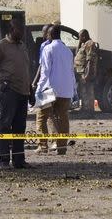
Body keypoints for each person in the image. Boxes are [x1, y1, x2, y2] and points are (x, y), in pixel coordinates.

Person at [0, 18, 33, 169]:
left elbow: (25, 69)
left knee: (20, 127)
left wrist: (31, 90)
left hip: (23, 91)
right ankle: (3, 160)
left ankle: (19, 160)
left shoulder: (22, 46)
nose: (22, 33)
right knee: (6, 125)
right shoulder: (0, 46)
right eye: (19, 31)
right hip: (8, 90)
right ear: (11, 31)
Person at [36, 25, 76, 155]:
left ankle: (43, 146)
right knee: (62, 118)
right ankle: (61, 148)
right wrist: (74, 90)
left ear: (50, 35)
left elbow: (45, 72)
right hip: (66, 90)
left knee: (41, 117)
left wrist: (38, 89)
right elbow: (71, 72)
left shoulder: (48, 49)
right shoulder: (68, 51)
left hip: (50, 89)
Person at [32, 24, 54, 154]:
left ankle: (43, 145)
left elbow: (42, 68)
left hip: (45, 86)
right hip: (57, 86)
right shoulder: (62, 47)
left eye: (44, 32)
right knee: (52, 116)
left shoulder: (45, 46)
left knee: (40, 117)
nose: (43, 34)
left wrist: (35, 83)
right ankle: (56, 143)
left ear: (47, 33)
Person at [74, 29, 98, 116]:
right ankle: (84, 107)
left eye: (80, 37)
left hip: (86, 71)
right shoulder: (84, 44)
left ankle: (90, 110)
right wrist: (80, 42)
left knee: (88, 91)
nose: (79, 39)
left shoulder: (90, 44)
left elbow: (90, 60)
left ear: (84, 36)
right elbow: (77, 53)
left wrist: (87, 74)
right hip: (81, 71)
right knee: (83, 91)